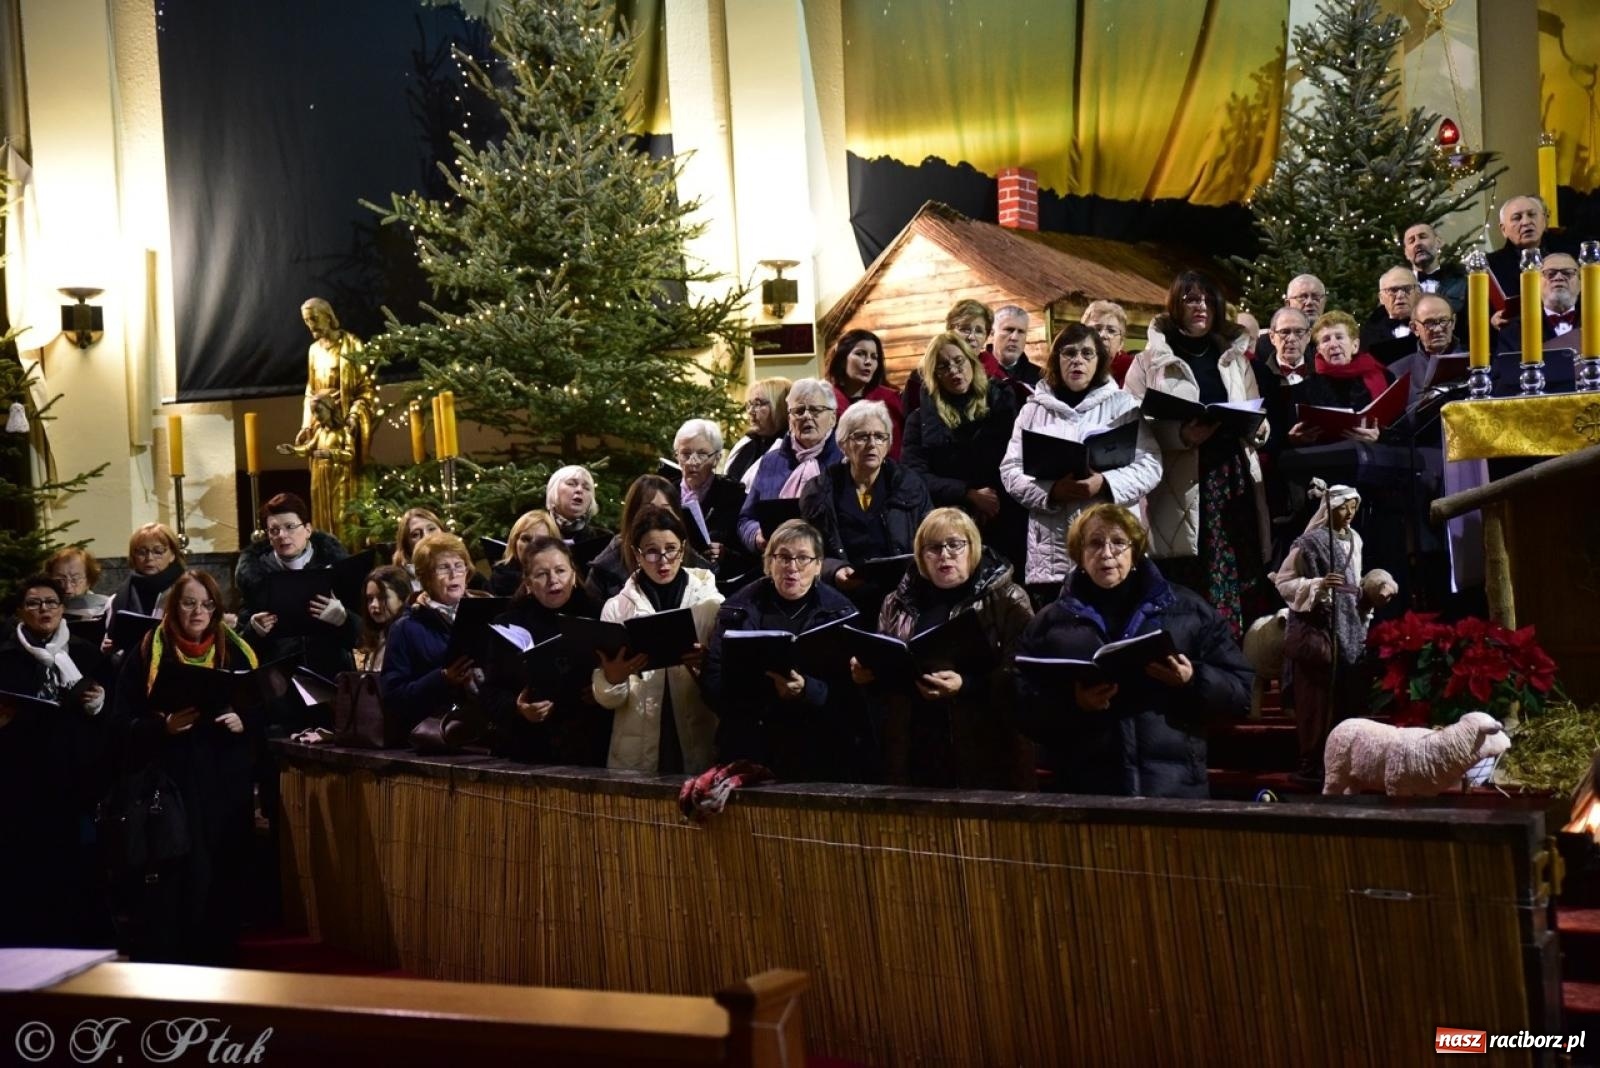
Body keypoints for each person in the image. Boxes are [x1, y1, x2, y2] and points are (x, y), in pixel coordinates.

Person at [1013, 503, 1252, 798]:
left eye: (1118, 542)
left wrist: (1192, 680)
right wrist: (1074, 703)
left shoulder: (1188, 609)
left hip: (1172, 791)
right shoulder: (1050, 622)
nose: (1107, 553)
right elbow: (1020, 704)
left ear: (1135, 551)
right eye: (1095, 543)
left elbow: (1242, 691)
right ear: (1079, 554)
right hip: (1088, 794)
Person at [108, 570, 258, 963]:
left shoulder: (235, 649)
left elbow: (265, 704)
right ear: (174, 607)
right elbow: (120, 721)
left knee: (223, 874)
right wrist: (163, 726)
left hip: (224, 781)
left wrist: (245, 719)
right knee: (179, 878)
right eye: (189, 602)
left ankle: (220, 958)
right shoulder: (147, 653)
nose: (198, 611)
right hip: (172, 783)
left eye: (207, 603)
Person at [1123, 271, 1271, 639]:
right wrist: (1181, 434)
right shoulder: (1148, 362)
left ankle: (1231, 662)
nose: (1200, 305)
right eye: (1190, 298)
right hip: (1181, 480)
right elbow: (1130, 427)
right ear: (1176, 305)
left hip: (1232, 478)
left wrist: (1258, 427)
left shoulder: (1234, 357)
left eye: (1207, 298)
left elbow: (1255, 411)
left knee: (1236, 572)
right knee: (1189, 579)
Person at [863, 508, 1036, 789]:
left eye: (955, 544)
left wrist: (966, 685)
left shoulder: (1008, 598)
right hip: (915, 742)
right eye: (933, 547)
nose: (944, 554)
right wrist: (870, 674)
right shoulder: (896, 603)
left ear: (973, 547)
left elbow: (1023, 674)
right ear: (920, 555)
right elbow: (889, 676)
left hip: (987, 744)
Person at [999, 324, 1162, 606]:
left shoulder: (1123, 405)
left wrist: (1106, 483)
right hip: (1053, 553)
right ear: (1056, 360)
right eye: (1069, 353)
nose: (1078, 360)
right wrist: (1051, 492)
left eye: (1088, 353)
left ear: (1099, 361)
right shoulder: (1033, 410)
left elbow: (1150, 464)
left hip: (1111, 549)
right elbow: (1010, 470)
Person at [701, 519, 873, 783]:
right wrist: (762, 691)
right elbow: (712, 681)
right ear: (769, 562)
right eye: (783, 557)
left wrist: (808, 690)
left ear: (818, 565)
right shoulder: (737, 608)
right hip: (750, 745)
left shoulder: (842, 613)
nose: (792, 567)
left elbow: (854, 697)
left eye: (803, 558)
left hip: (820, 749)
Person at [0, 576, 114, 946]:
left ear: (63, 608)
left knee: (79, 870)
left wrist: (99, 705)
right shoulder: (5, 656)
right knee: (25, 869)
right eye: (33, 603)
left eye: (51, 602)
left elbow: (114, 712)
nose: (43, 610)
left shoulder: (85, 653)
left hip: (75, 779)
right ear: (20, 611)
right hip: (20, 781)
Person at [1272, 483, 1397, 785]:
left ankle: (1343, 762)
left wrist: (1366, 600)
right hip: (1320, 628)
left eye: (1354, 507)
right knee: (1316, 699)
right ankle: (1312, 761)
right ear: (1329, 509)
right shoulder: (1309, 543)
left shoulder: (1355, 539)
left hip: (1349, 622)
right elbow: (1285, 581)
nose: (1350, 513)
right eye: (1344, 507)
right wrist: (1317, 585)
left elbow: (1356, 578)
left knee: (1346, 693)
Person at [591, 507, 723, 775]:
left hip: (697, 734)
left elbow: (726, 685)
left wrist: (707, 665)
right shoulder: (617, 609)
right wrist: (613, 679)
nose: (663, 561)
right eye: (651, 551)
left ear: (683, 549)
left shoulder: (710, 604)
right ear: (637, 554)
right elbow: (609, 700)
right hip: (636, 742)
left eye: (671, 549)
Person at [482, 536, 610, 767]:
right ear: (528, 584)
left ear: (573, 575)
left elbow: (624, 674)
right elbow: (491, 691)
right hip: (531, 749)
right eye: (541, 574)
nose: (553, 580)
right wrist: (519, 709)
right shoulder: (508, 624)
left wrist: (603, 690)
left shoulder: (600, 614)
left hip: (593, 744)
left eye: (560, 570)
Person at [901, 331, 1023, 569]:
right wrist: (968, 493)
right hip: (950, 518)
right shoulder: (920, 420)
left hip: (1005, 513)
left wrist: (992, 498)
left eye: (959, 361)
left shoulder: (1002, 402)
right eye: (943, 367)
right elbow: (914, 475)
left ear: (971, 362)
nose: (954, 371)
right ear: (934, 375)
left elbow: (1017, 455)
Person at [800, 400, 932, 617]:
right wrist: (834, 570)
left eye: (880, 437)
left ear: (888, 445)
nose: (872, 444)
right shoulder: (820, 490)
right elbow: (807, 551)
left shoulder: (909, 484)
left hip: (903, 597)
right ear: (843, 444)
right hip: (841, 599)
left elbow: (930, 538)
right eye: (862, 437)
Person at [235, 492, 358, 684]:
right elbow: (241, 647)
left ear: (308, 529)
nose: (282, 535)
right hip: (278, 683)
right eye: (274, 530)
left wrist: (344, 619)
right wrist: (253, 629)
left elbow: (364, 636)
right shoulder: (255, 576)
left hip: (332, 677)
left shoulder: (336, 568)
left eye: (290, 527)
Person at [379, 531, 483, 731]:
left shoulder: (487, 611)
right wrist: (442, 679)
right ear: (426, 577)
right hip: (437, 735)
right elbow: (393, 698)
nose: (454, 575)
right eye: (443, 568)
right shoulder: (406, 627)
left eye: (459, 566)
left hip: (488, 731)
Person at [298, 299, 377, 543]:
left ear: (329, 317)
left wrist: (354, 415)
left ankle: (347, 551)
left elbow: (366, 389)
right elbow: (311, 391)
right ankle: (324, 550)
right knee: (319, 496)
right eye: (307, 321)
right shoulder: (313, 351)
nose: (311, 325)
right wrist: (305, 425)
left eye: (314, 319)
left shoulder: (351, 345)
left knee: (343, 500)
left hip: (344, 431)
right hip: (319, 430)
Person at [737, 378, 843, 553]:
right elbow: (746, 518)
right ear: (789, 419)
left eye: (816, 410)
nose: (807, 416)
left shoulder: (846, 459)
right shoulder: (771, 462)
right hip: (776, 560)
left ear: (832, 418)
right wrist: (757, 536)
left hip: (830, 563)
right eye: (799, 411)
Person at [585, 475, 707, 604]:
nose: (657, 517)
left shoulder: (697, 567)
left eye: (666, 510)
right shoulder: (605, 570)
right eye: (649, 509)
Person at [899, 298, 1014, 414]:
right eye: (965, 329)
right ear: (949, 331)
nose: (971, 337)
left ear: (986, 337)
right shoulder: (921, 377)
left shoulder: (998, 378)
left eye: (979, 331)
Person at [277, 389, 357, 545]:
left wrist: (331, 454)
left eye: (319, 411)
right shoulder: (320, 432)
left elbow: (350, 454)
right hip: (320, 476)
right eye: (314, 412)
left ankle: (342, 547)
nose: (317, 416)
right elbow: (309, 449)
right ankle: (325, 547)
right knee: (322, 513)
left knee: (338, 515)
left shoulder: (342, 431)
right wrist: (293, 450)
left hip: (337, 476)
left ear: (330, 408)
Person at [672, 418, 750, 577]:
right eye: (685, 454)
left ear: (717, 458)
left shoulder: (734, 495)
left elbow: (749, 558)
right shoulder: (666, 492)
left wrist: (725, 554)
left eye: (701, 454)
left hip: (715, 582)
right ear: (676, 456)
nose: (692, 462)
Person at [825, 328, 905, 459]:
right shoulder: (824, 399)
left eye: (874, 357)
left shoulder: (890, 401)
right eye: (860, 354)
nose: (868, 362)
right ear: (842, 357)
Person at [107, 523, 186, 621]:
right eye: (142, 552)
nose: (149, 558)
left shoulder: (186, 588)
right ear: (133, 556)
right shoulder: (119, 597)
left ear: (172, 555)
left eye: (158, 551)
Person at [723, 378, 791, 488]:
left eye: (758, 404)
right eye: (749, 404)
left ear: (779, 407)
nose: (750, 411)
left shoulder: (789, 448)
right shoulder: (747, 442)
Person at [546, 464, 613, 569]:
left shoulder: (604, 539)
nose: (579, 490)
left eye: (586, 488)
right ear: (553, 490)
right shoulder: (537, 534)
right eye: (571, 484)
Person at [489, 509, 563, 597]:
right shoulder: (498, 579)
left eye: (541, 541)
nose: (532, 546)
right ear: (514, 541)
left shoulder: (564, 579)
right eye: (526, 539)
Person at [1255, 274, 1328, 362]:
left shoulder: (1336, 340)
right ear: (1287, 304)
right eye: (1302, 297)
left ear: (1324, 301)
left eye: (1316, 297)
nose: (1309, 302)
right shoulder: (1264, 345)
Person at [1401, 222, 1466, 315]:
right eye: (1411, 241)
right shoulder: (1397, 289)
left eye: (1423, 237)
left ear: (1438, 242)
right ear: (1406, 253)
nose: (1417, 243)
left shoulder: (1461, 281)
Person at [356, 565, 413, 672]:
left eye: (382, 597)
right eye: (370, 599)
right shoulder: (367, 638)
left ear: (402, 598)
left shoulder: (410, 639)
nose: (374, 604)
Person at [1358, 267, 1419, 358]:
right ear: (1381, 298)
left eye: (1406, 289)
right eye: (1393, 290)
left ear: (1418, 293)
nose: (1400, 295)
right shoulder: (1367, 337)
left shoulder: (1434, 327)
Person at [46, 546, 110, 623]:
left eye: (75, 579)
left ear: (89, 581)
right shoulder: (43, 610)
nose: (67, 587)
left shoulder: (105, 609)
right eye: (60, 580)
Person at [391, 507, 445, 588]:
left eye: (431, 529)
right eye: (415, 534)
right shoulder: (399, 581)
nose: (426, 537)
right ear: (406, 545)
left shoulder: (460, 568)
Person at [1082, 300, 1133, 385]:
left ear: (1121, 343)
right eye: (1097, 329)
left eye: (1111, 331)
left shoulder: (1134, 370)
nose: (1103, 335)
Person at [990, 304, 1041, 387]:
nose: (1014, 338)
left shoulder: (1041, 379)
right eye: (1009, 330)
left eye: (1021, 332)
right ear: (992, 333)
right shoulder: (974, 372)